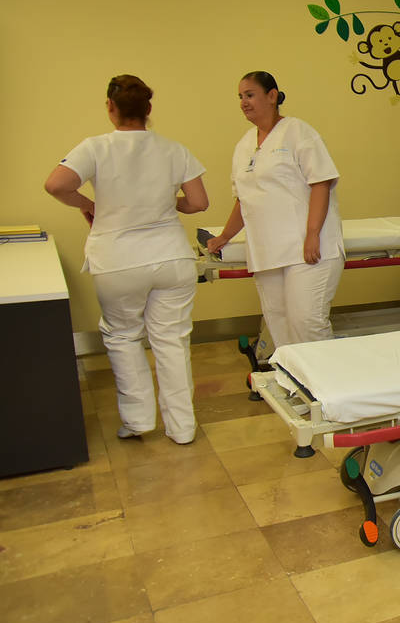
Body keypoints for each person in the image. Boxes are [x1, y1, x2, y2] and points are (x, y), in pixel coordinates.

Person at [45, 74, 209, 444]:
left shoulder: (96, 147)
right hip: (172, 259)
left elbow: (56, 184)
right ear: (148, 109)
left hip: (118, 261)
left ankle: (138, 422)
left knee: (122, 336)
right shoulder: (174, 149)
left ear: (110, 107)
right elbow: (199, 202)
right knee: (172, 340)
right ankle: (183, 429)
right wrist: (168, 202)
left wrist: (87, 204)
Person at [206, 71, 344, 354]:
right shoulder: (244, 145)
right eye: (240, 97)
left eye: (250, 95)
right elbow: (244, 200)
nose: (244, 102)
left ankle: (324, 380)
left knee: (307, 324)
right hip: (267, 252)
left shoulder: (298, 132)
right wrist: (225, 236)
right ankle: (292, 380)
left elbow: (321, 182)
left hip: (308, 250)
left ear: (272, 96)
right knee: (279, 329)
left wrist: (313, 234)